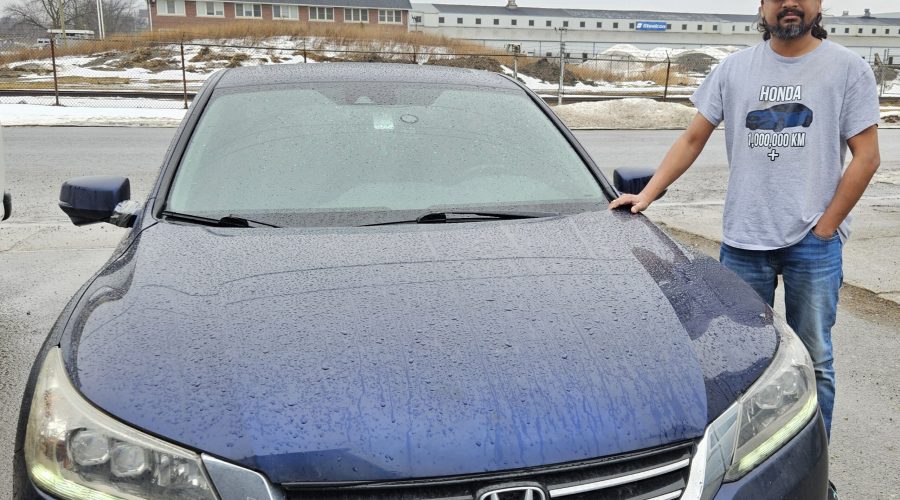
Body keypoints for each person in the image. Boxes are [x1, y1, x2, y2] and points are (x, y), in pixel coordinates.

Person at [609, 1, 880, 495]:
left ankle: (814, 474)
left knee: (815, 361)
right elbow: (693, 138)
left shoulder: (847, 67)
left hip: (812, 246)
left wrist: (826, 228)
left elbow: (867, 156)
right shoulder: (734, 69)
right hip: (743, 242)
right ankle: (739, 474)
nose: (789, 4)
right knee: (737, 366)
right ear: (762, 6)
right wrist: (647, 194)